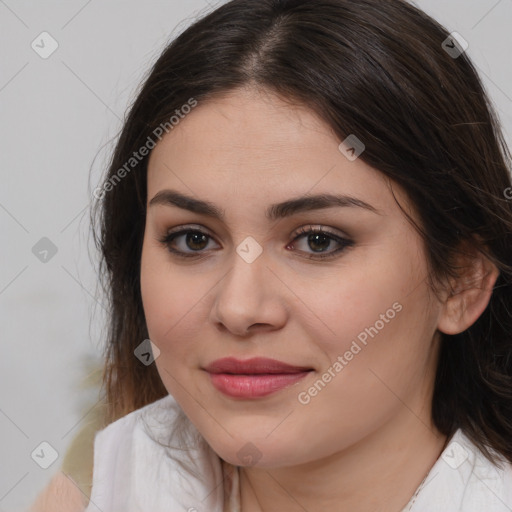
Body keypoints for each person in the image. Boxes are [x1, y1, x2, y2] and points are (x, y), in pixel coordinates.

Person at [32, 0, 512, 510]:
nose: (238, 309)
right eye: (193, 239)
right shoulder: (93, 486)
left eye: (318, 240)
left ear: (461, 281)